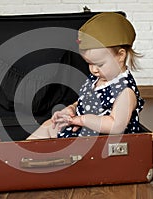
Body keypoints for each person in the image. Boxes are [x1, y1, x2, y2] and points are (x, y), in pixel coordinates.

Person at [27, 12, 144, 140]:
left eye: (100, 64)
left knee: (65, 143)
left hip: (103, 140)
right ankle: (20, 156)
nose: (94, 70)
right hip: (81, 129)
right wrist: (72, 108)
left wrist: (81, 120)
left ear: (121, 55)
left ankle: (36, 156)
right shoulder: (97, 79)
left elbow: (116, 125)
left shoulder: (125, 91)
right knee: (50, 125)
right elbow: (85, 99)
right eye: (89, 63)